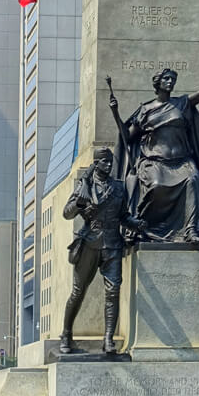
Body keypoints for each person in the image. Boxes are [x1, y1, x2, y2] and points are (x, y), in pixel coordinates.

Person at [109, 60, 199, 242]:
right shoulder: (146, 110)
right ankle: (142, 225)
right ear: (157, 83)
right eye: (166, 79)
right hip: (155, 162)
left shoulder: (182, 103)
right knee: (156, 185)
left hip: (182, 161)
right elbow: (128, 135)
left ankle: (191, 231)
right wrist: (115, 113)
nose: (170, 82)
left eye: (173, 79)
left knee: (194, 180)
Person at [60, 146, 144, 356]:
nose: (108, 165)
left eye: (110, 162)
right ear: (96, 163)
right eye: (104, 162)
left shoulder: (118, 187)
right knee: (78, 292)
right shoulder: (85, 186)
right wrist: (80, 202)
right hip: (89, 243)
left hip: (113, 245)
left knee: (113, 291)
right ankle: (66, 334)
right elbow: (67, 214)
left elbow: (123, 215)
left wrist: (137, 224)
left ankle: (108, 339)